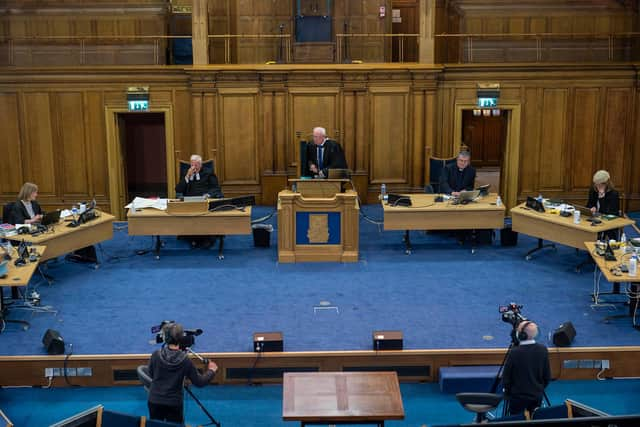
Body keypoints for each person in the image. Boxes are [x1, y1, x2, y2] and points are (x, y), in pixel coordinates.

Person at [147, 323, 218, 424]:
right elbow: (200, 382)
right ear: (181, 338)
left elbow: (151, 374)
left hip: (154, 400)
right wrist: (211, 370)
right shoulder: (185, 361)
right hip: (173, 403)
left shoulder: (156, 355)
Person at [502, 321, 551, 416]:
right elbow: (547, 376)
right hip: (536, 396)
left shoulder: (514, 352)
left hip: (517, 398)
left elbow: (506, 378)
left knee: (516, 420)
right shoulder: (543, 350)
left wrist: (508, 393)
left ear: (521, 335)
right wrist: (538, 389)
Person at [175, 154, 222, 248]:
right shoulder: (186, 172)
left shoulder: (208, 173)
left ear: (201, 165)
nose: (193, 167)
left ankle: (204, 237)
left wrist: (208, 195)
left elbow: (216, 188)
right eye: (192, 165)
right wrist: (187, 176)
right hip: (189, 202)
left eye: (196, 165)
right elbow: (178, 190)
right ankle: (193, 237)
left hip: (204, 201)